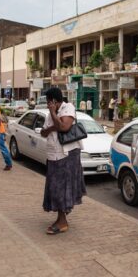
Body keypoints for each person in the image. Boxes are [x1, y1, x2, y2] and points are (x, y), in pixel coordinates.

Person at [40, 87, 86, 235]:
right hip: (53, 155)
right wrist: (54, 124)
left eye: (48, 102)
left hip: (67, 156)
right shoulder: (50, 115)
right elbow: (43, 132)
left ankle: (62, 221)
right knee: (54, 188)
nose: (47, 105)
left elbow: (64, 127)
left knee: (62, 187)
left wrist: (53, 116)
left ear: (53, 101)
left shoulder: (68, 108)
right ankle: (61, 218)